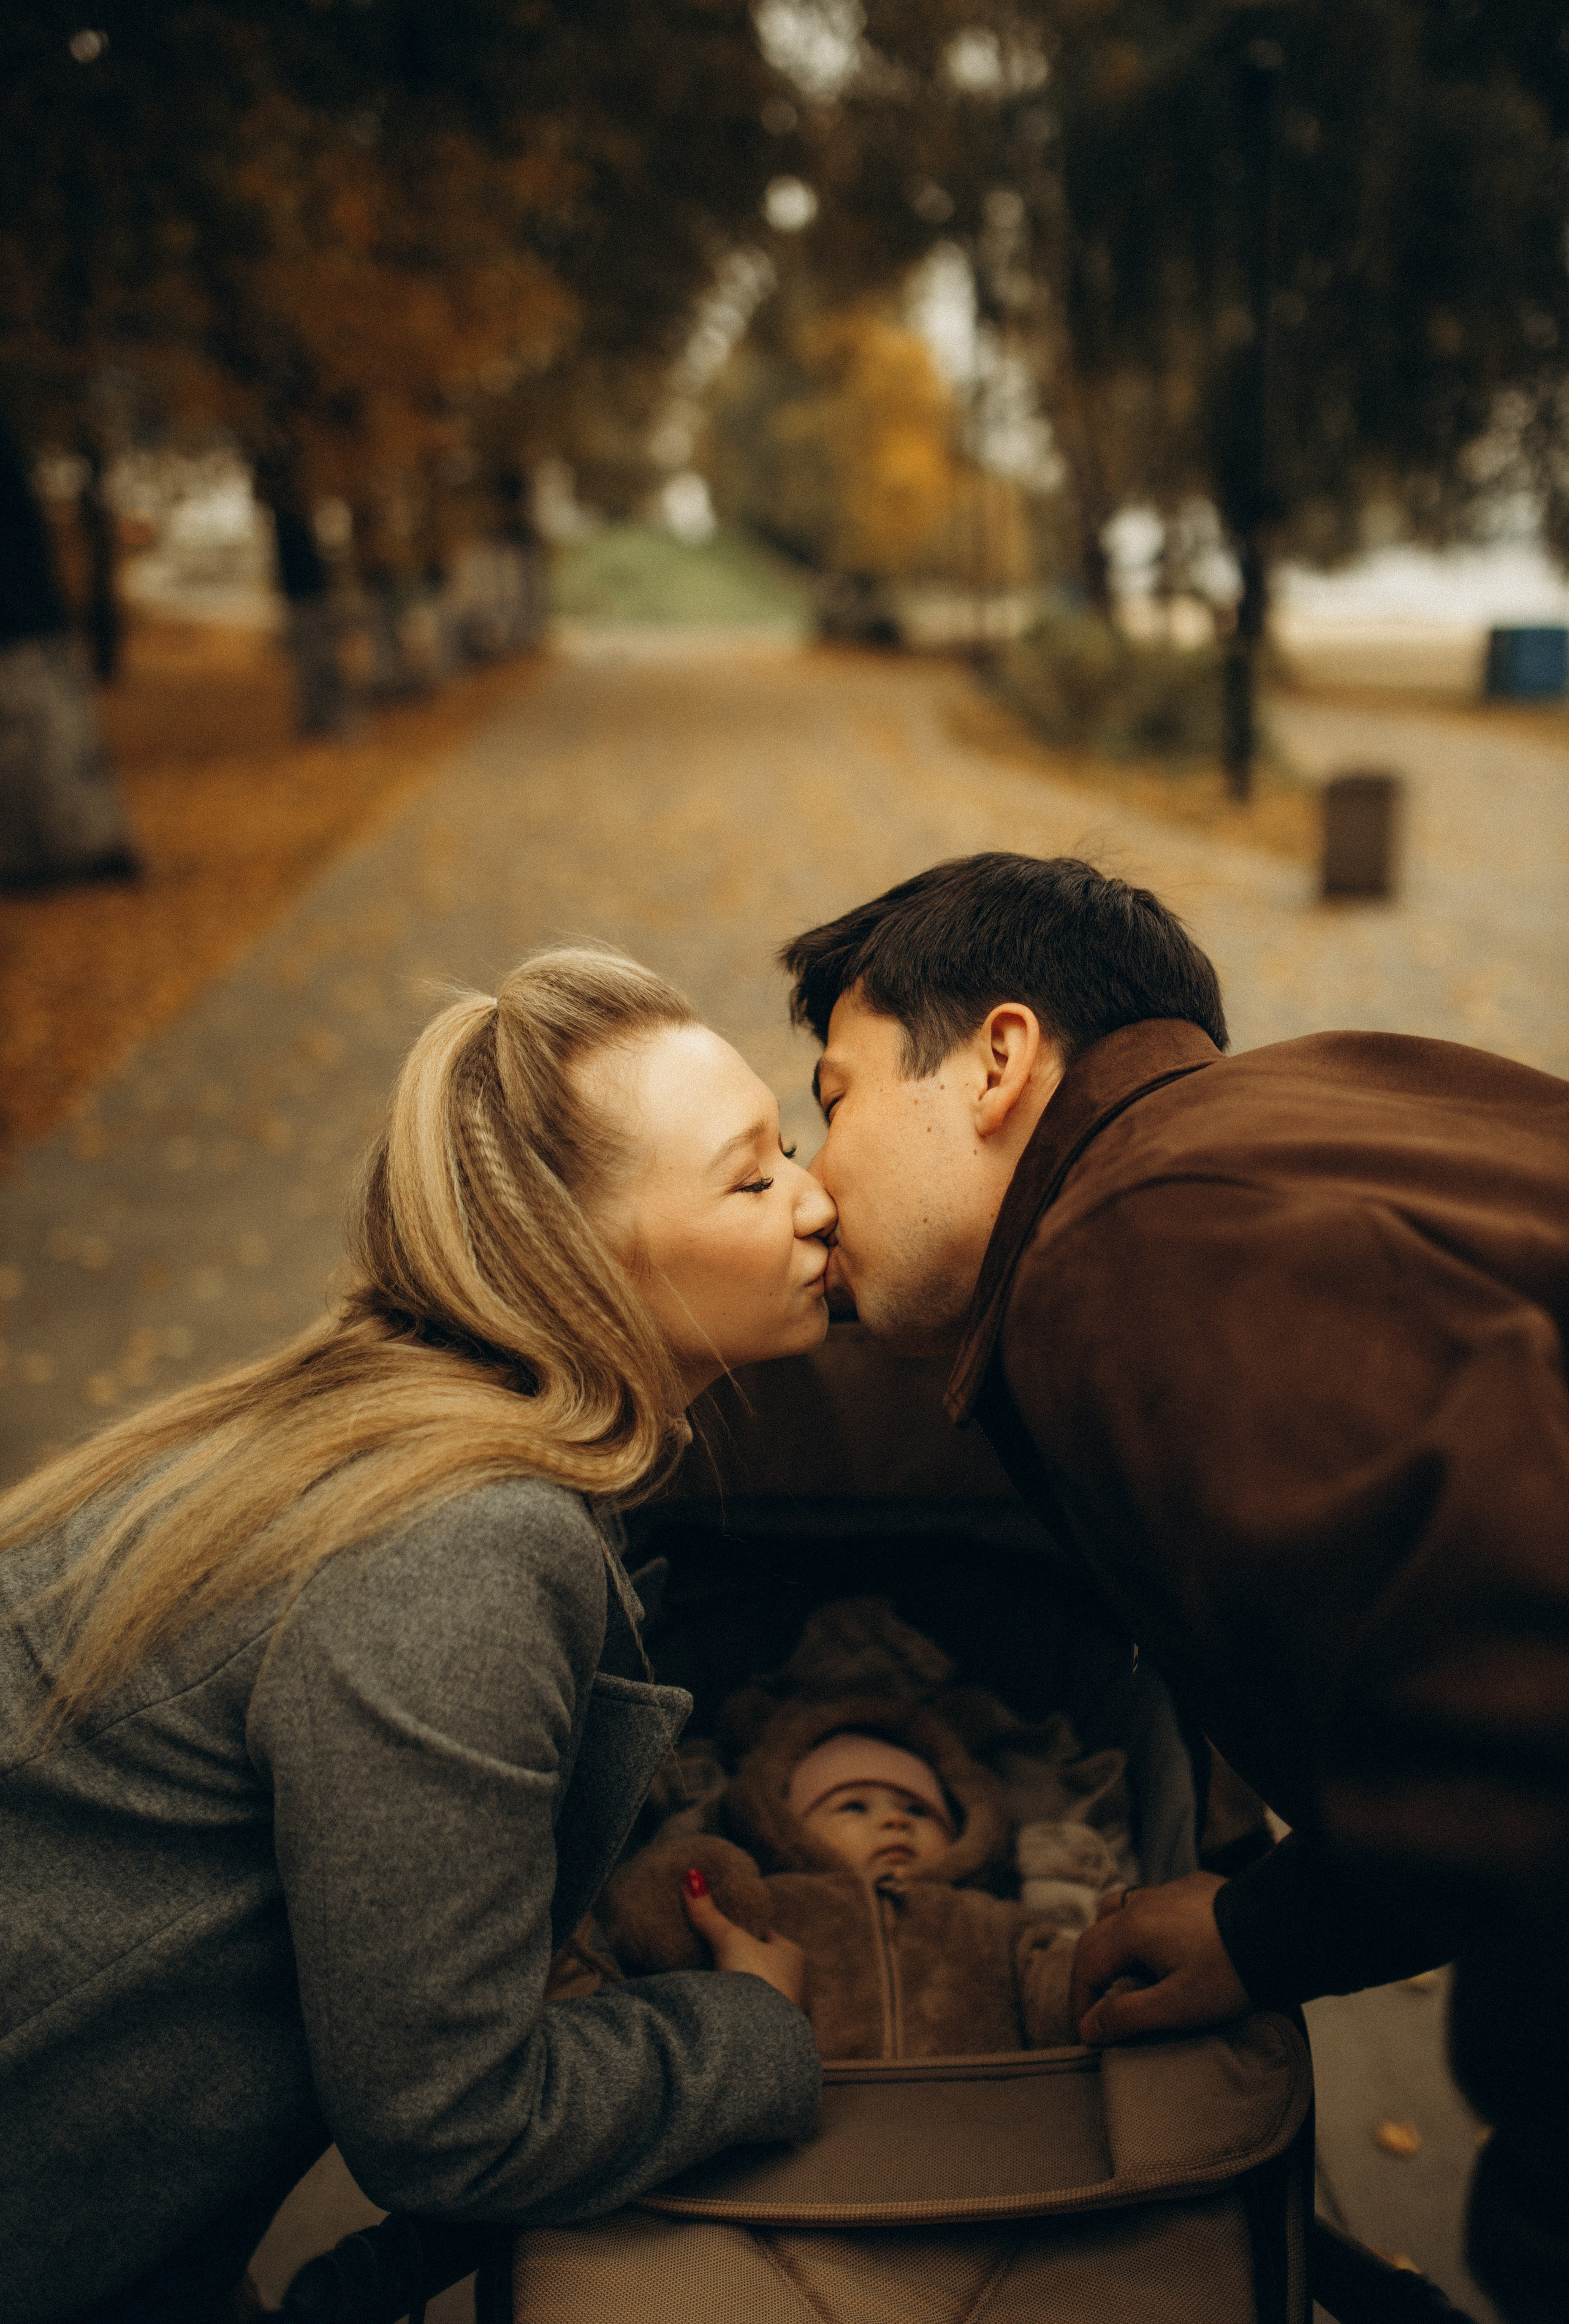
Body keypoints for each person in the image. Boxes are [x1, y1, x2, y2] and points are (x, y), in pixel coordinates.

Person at [780, 851, 1569, 2324]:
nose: (813, 1179)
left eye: (835, 1094)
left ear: (998, 1058)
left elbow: (1525, 1716)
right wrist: (1264, 1928)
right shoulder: (1336, 1102)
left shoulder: (1136, 1241)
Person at [1, 949, 832, 2324]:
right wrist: (749, 2032)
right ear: (571, 1259)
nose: (816, 1201)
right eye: (751, 1179)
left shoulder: (388, 1425)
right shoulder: (466, 1544)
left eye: (788, 1148)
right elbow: (450, 2121)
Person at [598, 1704, 1083, 2059]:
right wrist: (679, 1887)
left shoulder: (988, 1920)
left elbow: (1056, 1988)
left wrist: (1098, 1976)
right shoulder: (773, 1904)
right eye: (854, 1805)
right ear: (791, 1826)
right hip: (813, 2150)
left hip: (989, 2134)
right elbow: (663, 1947)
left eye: (919, 1810)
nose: (896, 1821)